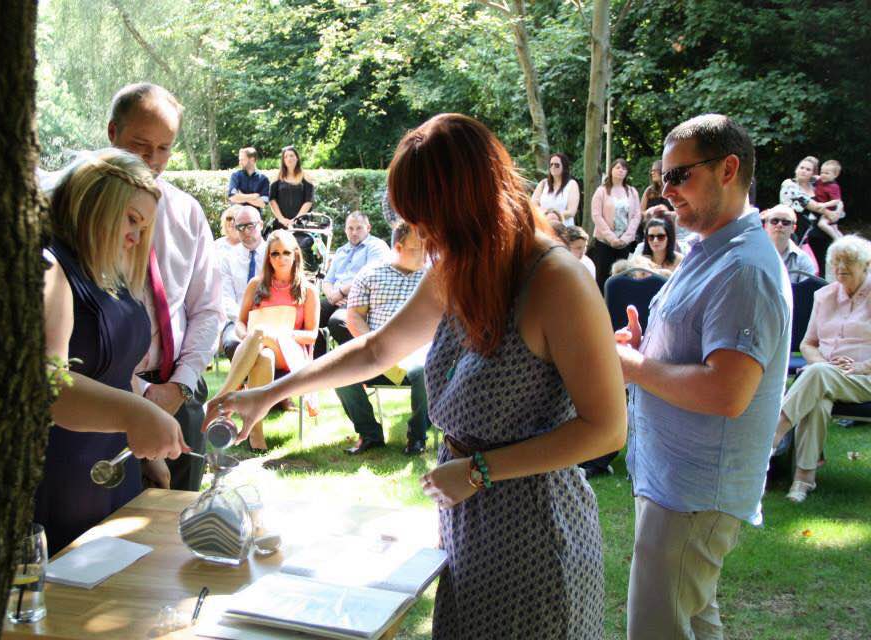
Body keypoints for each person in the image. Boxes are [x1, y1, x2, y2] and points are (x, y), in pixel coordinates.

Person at [205, 113, 627, 639]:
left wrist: (479, 471)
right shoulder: (460, 265)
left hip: (538, 534)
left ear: (469, 204)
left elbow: (606, 427)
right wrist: (269, 394)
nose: (422, 237)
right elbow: (378, 348)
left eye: (428, 220)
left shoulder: (557, 281)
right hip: (469, 525)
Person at [616, 114, 791, 640]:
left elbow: (726, 391)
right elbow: (704, 356)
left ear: (728, 169)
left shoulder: (744, 267)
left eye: (679, 176)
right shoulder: (710, 248)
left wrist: (634, 367)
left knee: (656, 629)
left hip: (695, 492)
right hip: (679, 481)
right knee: (692, 617)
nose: (665, 192)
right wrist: (647, 349)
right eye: (662, 178)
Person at [36, 148, 188, 554]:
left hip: (115, 468)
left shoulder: (109, 275)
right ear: (94, 205)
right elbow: (47, 385)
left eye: (145, 227)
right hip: (62, 476)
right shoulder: (51, 270)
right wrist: (135, 414)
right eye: (132, 220)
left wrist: (142, 443)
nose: (137, 238)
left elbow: (114, 372)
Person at [108, 83, 223, 492]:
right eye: (141, 145)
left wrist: (180, 383)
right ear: (112, 134)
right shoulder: (84, 215)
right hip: (110, 391)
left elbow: (208, 307)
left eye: (164, 149)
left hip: (182, 390)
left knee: (181, 516)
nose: (153, 161)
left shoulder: (187, 212)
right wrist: (138, 391)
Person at [771, 235, 871, 502]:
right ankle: (803, 480)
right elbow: (808, 344)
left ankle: (775, 433)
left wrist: (861, 366)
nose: (840, 267)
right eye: (836, 261)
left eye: (848, 261)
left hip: (864, 378)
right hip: (824, 375)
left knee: (816, 378)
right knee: (817, 398)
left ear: (866, 264)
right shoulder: (824, 296)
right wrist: (823, 365)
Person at [217, 230, 320, 451]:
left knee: (261, 333)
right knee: (263, 356)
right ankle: (255, 433)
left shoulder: (308, 290)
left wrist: (279, 335)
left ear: (295, 255)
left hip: (292, 353)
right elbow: (241, 323)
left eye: (286, 253)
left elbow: (312, 335)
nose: (281, 258)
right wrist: (248, 336)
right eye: (275, 254)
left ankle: (224, 397)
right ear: (268, 257)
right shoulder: (256, 284)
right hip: (260, 349)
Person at [336, 223, 429, 455]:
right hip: (376, 349)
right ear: (398, 247)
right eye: (419, 248)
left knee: (424, 371)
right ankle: (370, 434)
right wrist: (377, 346)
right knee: (341, 373)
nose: (427, 253)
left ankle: (417, 437)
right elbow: (354, 316)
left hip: (417, 352)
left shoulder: (433, 275)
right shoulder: (370, 273)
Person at [316, 211, 391, 354]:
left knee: (338, 322)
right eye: (350, 228)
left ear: (368, 228)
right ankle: (316, 364)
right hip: (336, 298)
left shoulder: (376, 246)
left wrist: (341, 292)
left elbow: (370, 277)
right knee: (309, 315)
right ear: (345, 229)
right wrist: (332, 295)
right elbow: (328, 280)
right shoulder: (341, 250)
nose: (354, 232)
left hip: (360, 299)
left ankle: (363, 363)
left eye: (359, 228)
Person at [219, 205, 267, 348]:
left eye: (250, 226)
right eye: (240, 227)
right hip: (236, 320)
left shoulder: (273, 254)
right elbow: (226, 298)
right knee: (232, 344)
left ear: (261, 225)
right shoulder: (228, 258)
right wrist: (243, 320)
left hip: (268, 318)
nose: (246, 231)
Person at [591, 158, 641, 290]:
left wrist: (625, 238)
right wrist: (611, 238)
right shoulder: (601, 191)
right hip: (604, 242)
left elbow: (636, 215)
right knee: (603, 277)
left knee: (623, 277)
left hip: (624, 243)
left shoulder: (632, 192)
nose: (621, 170)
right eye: (617, 167)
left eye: (624, 168)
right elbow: (596, 215)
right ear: (611, 170)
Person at [807, 159, 846, 275]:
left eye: (827, 173)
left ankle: (837, 239)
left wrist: (825, 205)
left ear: (835, 175)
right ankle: (839, 237)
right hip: (822, 211)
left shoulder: (833, 186)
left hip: (829, 209)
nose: (823, 175)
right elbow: (814, 177)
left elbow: (837, 201)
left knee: (823, 224)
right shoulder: (819, 181)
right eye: (822, 172)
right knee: (831, 227)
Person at [779, 157, 833, 239]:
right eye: (801, 168)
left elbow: (836, 199)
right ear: (796, 169)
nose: (804, 171)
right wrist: (830, 214)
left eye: (808, 169)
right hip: (799, 232)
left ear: (813, 173)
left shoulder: (816, 185)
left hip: (821, 230)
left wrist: (838, 210)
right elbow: (813, 205)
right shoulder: (789, 186)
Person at [762, 204, 818, 282]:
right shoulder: (753, 255)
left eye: (785, 222)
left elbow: (807, 292)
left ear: (793, 228)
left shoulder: (803, 260)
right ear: (765, 226)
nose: (779, 225)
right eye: (774, 221)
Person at [269, 145, 314, 231]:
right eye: (286, 157)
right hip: (281, 224)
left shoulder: (306, 177)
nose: (289, 158)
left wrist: (297, 219)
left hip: (302, 224)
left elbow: (309, 201)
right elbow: (272, 200)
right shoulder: (277, 178)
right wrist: (281, 219)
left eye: (291, 155)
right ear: (283, 161)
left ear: (297, 158)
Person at [530, 152, 580, 226]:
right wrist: (545, 215)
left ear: (564, 167)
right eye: (551, 164)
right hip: (545, 228)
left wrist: (553, 216)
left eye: (557, 165)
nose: (553, 167)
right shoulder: (543, 184)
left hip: (564, 229)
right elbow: (533, 207)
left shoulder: (572, 184)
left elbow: (571, 211)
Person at [637, 159, 673, 245]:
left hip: (670, 230)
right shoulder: (649, 191)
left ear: (662, 171)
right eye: (651, 171)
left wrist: (665, 213)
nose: (652, 173)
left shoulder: (672, 189)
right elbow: (641, 213)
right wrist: (651, 212)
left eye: (654, 170)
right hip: (651, 230)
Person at [227, 147, 270, 211]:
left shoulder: (263, 179)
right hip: (237, 216)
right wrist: (253, 196)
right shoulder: (235, 176)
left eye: (242, 160)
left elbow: (262, 204)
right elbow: (233, 198)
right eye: (239, 160)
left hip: (254, 218)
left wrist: (241, 196)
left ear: (252, 160)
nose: (240, 162)